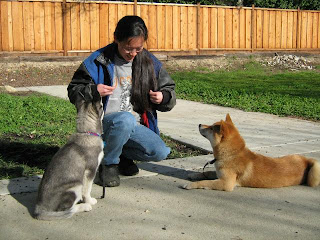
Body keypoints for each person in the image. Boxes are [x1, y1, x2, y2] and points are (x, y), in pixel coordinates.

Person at [67, 16, 176, 187]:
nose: (132, 54)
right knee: (125, 119)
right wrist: (94, 91)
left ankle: (120, 155)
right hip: (103, 125)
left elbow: (169, 90)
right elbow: (73, 90)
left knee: (160, 152)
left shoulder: (149, 62)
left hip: (133, 126)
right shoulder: (97, 60)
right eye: (128, 48)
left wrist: (164, 97)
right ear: (116, 38)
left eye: (138, 49)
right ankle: (108, 164)